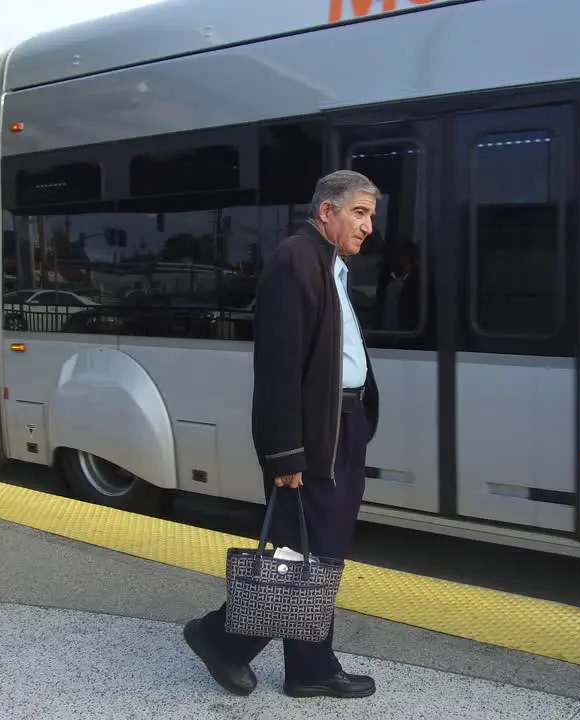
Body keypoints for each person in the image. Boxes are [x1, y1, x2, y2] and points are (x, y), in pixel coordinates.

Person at [183, 170, 381, 700]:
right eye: (359, 213)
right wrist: (285, 452)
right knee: (300, 551)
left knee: (318, 551)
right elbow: (278, 368)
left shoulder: (329, 263)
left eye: (371, 217)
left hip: (341, 425)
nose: (367, 227)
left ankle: (308, 664)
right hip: (315, 435)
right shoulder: (294, 262)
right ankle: (223, 638)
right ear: (327, 212)